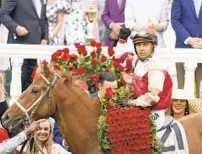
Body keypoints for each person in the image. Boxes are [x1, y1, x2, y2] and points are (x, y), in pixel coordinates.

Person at [118, 28, 173, 130]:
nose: (141, 49)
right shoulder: (138, 61)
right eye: (138, 45)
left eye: (145, 44)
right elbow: (120, 60)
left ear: (153, 46)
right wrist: (122, 40)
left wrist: (130, 102)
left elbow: (152, 97)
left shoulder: (156, 67)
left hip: (154, 115)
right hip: (139, 109)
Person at [0, 0, 48, 92]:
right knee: (20, 81)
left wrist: (44, 37)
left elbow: (43, 19)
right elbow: (2, 13)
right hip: (19, 45)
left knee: (29, 82)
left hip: (35, 47)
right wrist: (16, 28)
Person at [171, 0, 202, 97]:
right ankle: (183, 112)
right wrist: (188, 39)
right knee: (182, 88)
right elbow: (175, 20)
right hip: (183, 47)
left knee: (200, 91)